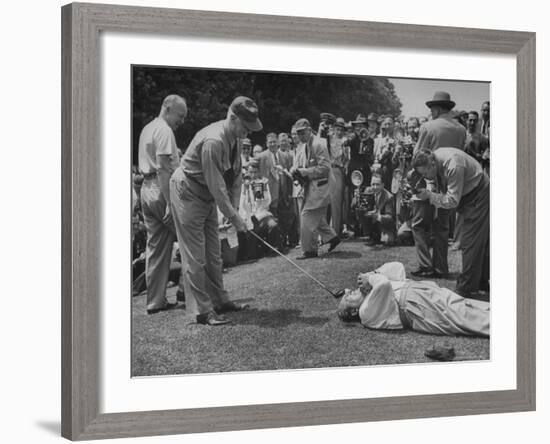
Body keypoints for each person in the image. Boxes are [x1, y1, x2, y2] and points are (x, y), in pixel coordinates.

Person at [170, 96, 262, 326]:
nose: (248, 133)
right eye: (246, 127)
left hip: (207, 195)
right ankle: (201, 311)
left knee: (214, 254)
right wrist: (233, 216)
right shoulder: (213, 141)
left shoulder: (236, 137)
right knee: (195, 256)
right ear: (232, 118)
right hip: (188, 192)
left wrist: (236, 212)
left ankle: (220, 300)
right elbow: (216, 184)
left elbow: (236, 177)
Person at [412, 148, 490, 297]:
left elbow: (452, 201)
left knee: (470, 241)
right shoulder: (435, 157)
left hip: (479, 194)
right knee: (481, 241)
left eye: (425, 173)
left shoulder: (454, 165)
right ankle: (481, 282)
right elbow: (440, 186)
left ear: (433, 164)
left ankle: (466, 288)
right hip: (470, 194)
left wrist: (430, 195)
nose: (425, 177)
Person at [337, 262, 489, 337]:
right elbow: (383, 284)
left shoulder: (371, 293)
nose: (351, 290)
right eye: (348, 296)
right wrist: (370, 278)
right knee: (464, 317)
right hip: (416, 307)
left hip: (421, 292)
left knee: (465, 305)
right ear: (353, 311)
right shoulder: (365, 314)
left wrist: (374, 272)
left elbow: (398, 267)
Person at [138, 94, 187, 314]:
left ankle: (155, 301)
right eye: (180, 115)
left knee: (156, 247)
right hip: (161, 190)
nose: (182, 121)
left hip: (146, 191)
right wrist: (169, 202)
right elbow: (164, 168)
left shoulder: (148, 128)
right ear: (167, 108)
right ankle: (186, 291)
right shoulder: (164, 130)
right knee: (190, 239)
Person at [411, 91, 466, 279]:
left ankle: (426, 265)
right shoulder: (461, 129)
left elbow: (417, 156)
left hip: (429, 178)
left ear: (435, 108)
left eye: (432, 108)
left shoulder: (428, 126)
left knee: (419, 225)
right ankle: (441, 268)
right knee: (442, 227)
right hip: (450, 180)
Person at [291, 118, 340, 259]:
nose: (300, 136)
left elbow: (325, 168)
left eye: (302, 132)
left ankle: (310, 250)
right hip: (315, 186)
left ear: (309, 129)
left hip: (322, 186)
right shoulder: (307, 144)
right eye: (298, 133)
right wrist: (299, 172)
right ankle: (332, 237)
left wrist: (305, 172)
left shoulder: (318, 143)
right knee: (315, 217)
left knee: (306, 216)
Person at [239, 160, 282, 255]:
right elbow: (242, 205)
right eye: (251, 172)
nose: (253, 175)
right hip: (250, 216)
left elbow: (268, 202)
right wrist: (246, 190)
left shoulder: (262, 183)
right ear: (247, 172)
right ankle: (254, 253)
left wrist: (265, 190)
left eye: (255, 172)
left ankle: (274, 249)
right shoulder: (243, 186)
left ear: (258, 172)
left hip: (263, 214)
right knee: (252, 231)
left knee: (273, 225)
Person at [354, 173, 396, 246]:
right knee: (359, 211)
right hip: (373, 223)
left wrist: (377, 216)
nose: (375, 187)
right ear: (370, 184)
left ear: (383, 185)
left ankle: (381, 234)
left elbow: (390, 218)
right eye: (373, 184)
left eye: (377, 184)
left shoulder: (389, 197)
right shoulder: (367, 191)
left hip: (385, 225)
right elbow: (353, 206)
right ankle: (370, 234)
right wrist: (356, 198)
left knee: (387, 241)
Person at [328, 117, 350, 235]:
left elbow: (346, 159)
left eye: (342, 130)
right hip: (328, 170)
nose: (339, 132)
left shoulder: (345, 142)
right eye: (337, 129)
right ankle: (326, 231)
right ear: (334, 129)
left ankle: (336, 230)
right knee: (327, 202)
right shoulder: (329, 140)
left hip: (339, 170)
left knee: (337, 202)